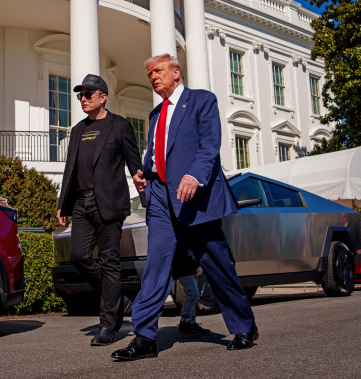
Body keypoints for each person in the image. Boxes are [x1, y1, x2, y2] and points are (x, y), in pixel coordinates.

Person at [112, 54, 258, 361]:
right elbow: (156, 154)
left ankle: (244, 325)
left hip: (195, 197)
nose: (153, 76)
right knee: (156, 265)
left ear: (176, 73)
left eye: (159, 71)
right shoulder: (155, 115)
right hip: (161, 199)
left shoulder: (202, 101)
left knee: (217, 263)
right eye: (149, 72)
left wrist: (195, 175)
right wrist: (144, 173)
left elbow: (209, 144)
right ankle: (145, 337)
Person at [56, 74, 143, 346]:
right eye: (80, 95)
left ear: (103, 97)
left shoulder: (120, 126)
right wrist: (63, 204)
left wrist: (146, 194)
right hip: (81, 202)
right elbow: (70, 169)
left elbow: (134, 164)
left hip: (109, 202)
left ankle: (108, 324)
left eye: (88, 94)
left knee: (110, 262)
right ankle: (114, 299)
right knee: (79, 256)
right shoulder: (78, 130)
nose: (83, 99)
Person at [173, 253, 211, 337]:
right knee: (193, 294)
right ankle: (185, 322)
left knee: (193, 293)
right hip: (183, 266)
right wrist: (195, 265)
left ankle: (191, 322)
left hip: (186, 266)